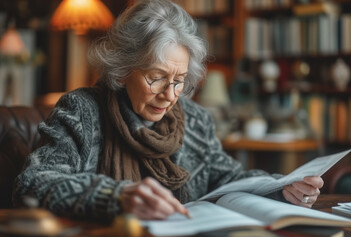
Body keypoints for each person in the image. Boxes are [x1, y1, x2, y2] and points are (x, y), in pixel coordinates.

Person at [13, 0, 323, 221]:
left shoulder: (196, 119)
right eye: (157, 78)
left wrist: (282, 187)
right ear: (122, 69)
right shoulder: (82, 110)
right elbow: (33, 182)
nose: (170, 95)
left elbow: (228, 179)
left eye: (179, 81)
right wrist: (115, 196)